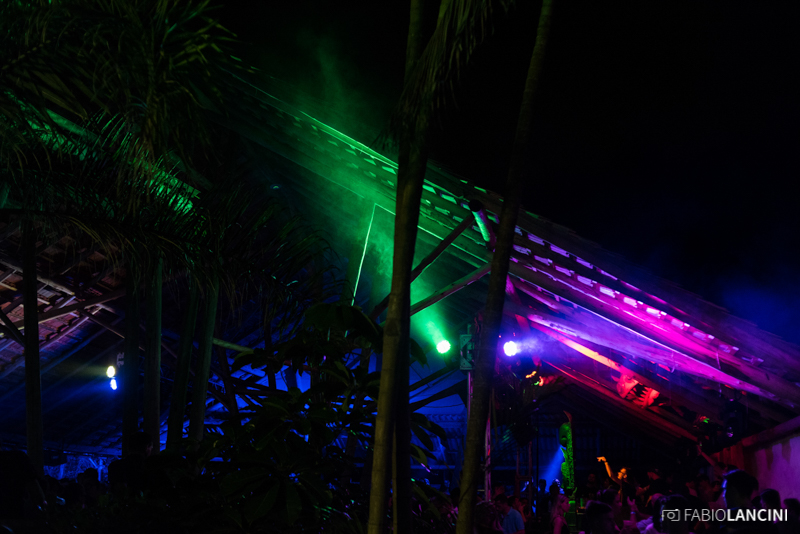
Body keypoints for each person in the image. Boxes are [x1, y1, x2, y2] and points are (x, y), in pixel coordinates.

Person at [720, 469, 778, 534]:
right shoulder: (766, 519)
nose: (723, 495)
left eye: (725, 490)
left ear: (733, 491)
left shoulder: (730, 517)